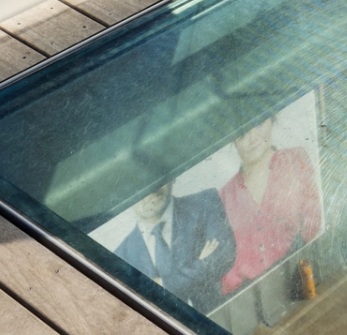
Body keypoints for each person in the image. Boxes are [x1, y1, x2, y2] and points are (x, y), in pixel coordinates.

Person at [218, 118, 324, 295]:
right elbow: (226, 271)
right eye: (242, 134)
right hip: (252, 299)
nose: (252, 138)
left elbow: (314, 226)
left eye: (258, 123)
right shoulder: (224, 196)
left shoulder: (295, 160)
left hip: (306, 283)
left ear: (272, 120)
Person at [115, 182, 235, 314]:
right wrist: (200, 264)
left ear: (171, 175)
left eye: (155, 176)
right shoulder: (120, 258)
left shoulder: (205, 202)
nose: (150, 190)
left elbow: (224, 256)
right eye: (137, 185)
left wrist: (161, 285)